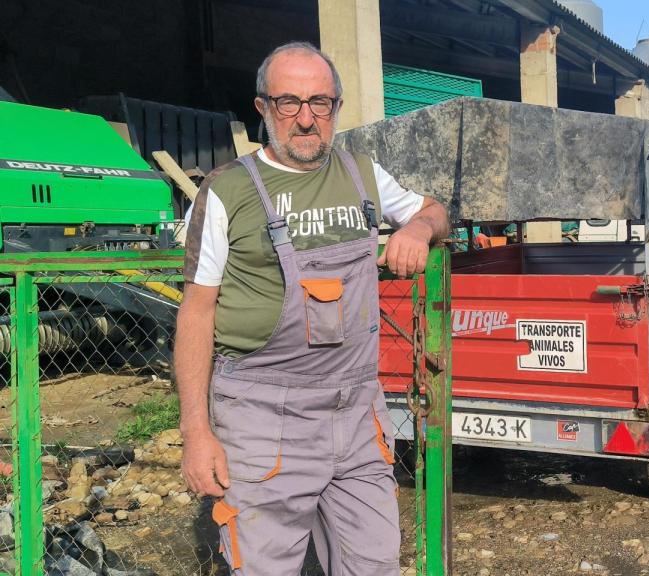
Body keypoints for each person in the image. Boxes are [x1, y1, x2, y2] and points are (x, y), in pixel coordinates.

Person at [175, 41, 448, 576]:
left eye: (320, 103)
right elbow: (196, 314)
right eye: (289, 103)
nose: (306, 119)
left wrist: (417, 227)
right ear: (263, 108)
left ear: (337, 107)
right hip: (262, 418)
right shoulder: (228, 191)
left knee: (373, 564)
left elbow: (437, 211)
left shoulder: (363, 175)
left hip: (356, 412)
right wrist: (196, 433)